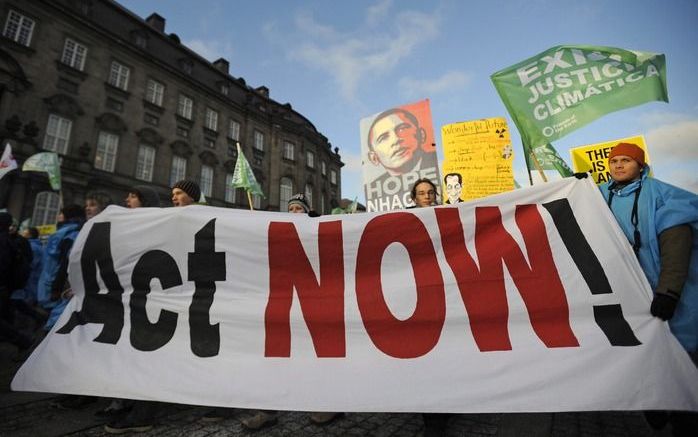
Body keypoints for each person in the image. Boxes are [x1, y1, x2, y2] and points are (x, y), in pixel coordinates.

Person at [595, 142, 698, 436]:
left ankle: (683, 415)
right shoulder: (598, 196)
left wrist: (669, 292)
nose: (617, 166)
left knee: (678, 357)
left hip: (665, 291)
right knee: (638, 351)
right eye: (613, 161)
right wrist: (573, 188)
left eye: (626, 160)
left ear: (640, 165)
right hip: (625, 292)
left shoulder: (661, 195)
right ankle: (653, 400)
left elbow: (676, 247)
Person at [240, 194, 343, 430]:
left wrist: (318, 224)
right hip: (283, 304)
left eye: (299, 209)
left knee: (320, 356)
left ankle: (329, 404)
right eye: (292, 208)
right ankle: (267, 410)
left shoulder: (319, 229)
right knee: (275, 355)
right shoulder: (279, 233)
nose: (295, 212)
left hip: (314, 304)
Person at [406, 180, 452, 436]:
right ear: (413, 197)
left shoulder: (446, 215)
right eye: (421, 193)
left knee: (444, 357)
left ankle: (442, 412)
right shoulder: (403, 219)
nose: (426, 196)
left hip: (443, 296)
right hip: (415, 300)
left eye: (430, 192)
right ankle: (432, 418)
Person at [0, 212, 33, 354]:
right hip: (5, 286)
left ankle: (24, 341)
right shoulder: (8, 240)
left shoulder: (3, 241)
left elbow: (3, 265)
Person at [366, 108, 427, 176]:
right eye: (383, 138)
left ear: (421, 135)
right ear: (374, 158)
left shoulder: (436, 165)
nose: (395, 140)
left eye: (402, 129)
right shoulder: (375, 185)